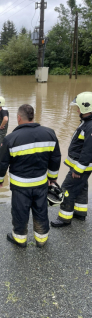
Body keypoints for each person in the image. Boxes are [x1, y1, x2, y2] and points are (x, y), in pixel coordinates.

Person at [0, 104, 61, 248]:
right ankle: (41, 240)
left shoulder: (10, 138)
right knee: (41, 211)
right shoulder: (49, 133)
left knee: (20, 212)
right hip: (41, 183)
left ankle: (20, 240)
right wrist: (53, 178)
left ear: (18, 118)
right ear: (33, 116)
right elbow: (55, 158)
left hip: (20, 186)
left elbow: (2, 162)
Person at [51, 92, 92, 227]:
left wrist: (78, 170)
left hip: (80, 167)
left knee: (67, 188)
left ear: (86, 107)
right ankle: (80, 213)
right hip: (81, 167)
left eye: (78, 107)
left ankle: (64, 218)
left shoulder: (90, 126)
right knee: (82, 187)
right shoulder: (87, 122)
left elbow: (88, 151)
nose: (77, 110)